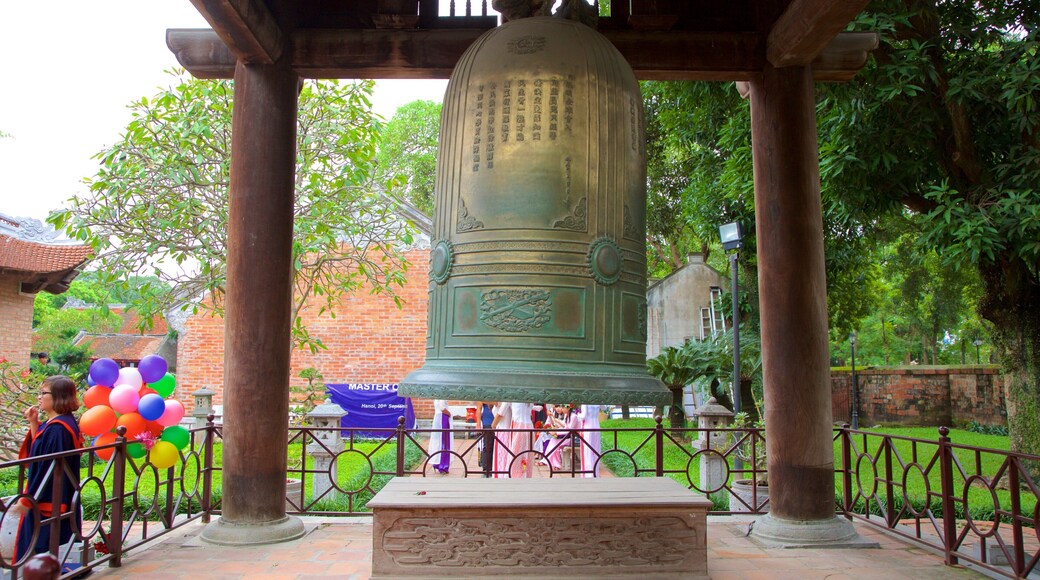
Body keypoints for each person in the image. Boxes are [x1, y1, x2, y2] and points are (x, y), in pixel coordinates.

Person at [12, 376, 83, 561]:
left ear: (58, 396)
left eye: (43, 393)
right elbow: (41, 452)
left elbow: (47, 468)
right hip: (52, 494)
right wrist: (34, 423)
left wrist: (27, 501)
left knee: (41, 549)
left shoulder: (59, 429)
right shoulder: (59, 423)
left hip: (49, 498)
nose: (39, 397)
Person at [508, 402, 539, 478]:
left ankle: (517, 476)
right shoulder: (530, 400)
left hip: (519, 426)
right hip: (529, 426)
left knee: (516, 455)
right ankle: (526, 475)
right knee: (527, 454)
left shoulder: (514, 399)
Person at [427, 399, 452, 474]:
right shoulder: (442, 396)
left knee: (439, 440)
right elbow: (442, 408)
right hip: (443, 417)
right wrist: (450, 414)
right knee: (444, 441)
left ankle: (438, 462)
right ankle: (442, 464)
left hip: (438, 416)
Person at [579, 403, 602, 477]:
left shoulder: (585, 403)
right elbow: (604, 407)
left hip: (588, 427)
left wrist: (577, 415)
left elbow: (583, 416)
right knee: (596, 450)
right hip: (596, 426)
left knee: (587, 450)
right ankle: (596, 473)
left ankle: (588, 473)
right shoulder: (598, 400)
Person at [491, 402, 512, 478]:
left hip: (504, 431)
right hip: (500, 430)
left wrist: (493, 425)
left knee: (503, 455)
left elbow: (500, 414)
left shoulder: (506, 402)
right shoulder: (499, 403)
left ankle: (502, 474)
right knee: (499, 455)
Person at [478, 401, 495, 473]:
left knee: (497, 446)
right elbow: (479, 408)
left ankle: (495, 466)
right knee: (487, 445)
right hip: (487, 421)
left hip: (499, 420)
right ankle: (486, 468)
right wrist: (478, 423)